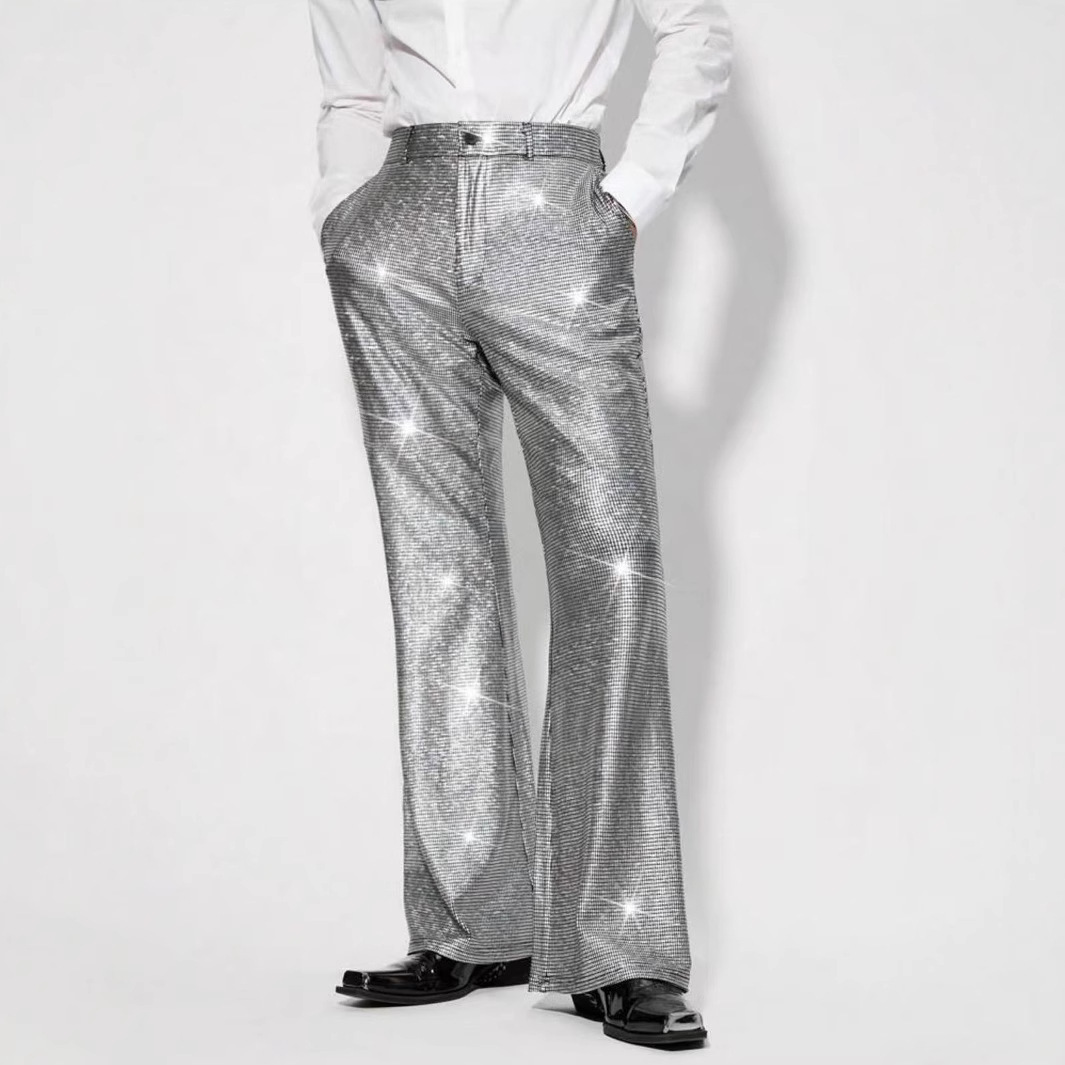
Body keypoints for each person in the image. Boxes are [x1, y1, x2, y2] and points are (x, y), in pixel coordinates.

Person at [306, 0, 732, 1049]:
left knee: (610, 570)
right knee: (437, 580)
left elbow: (695, 27)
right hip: (397, 223)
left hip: (558, 213)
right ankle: (474, 922)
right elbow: (352, 85)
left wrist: (628, 198)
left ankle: (619, 947)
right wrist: (342, 216)